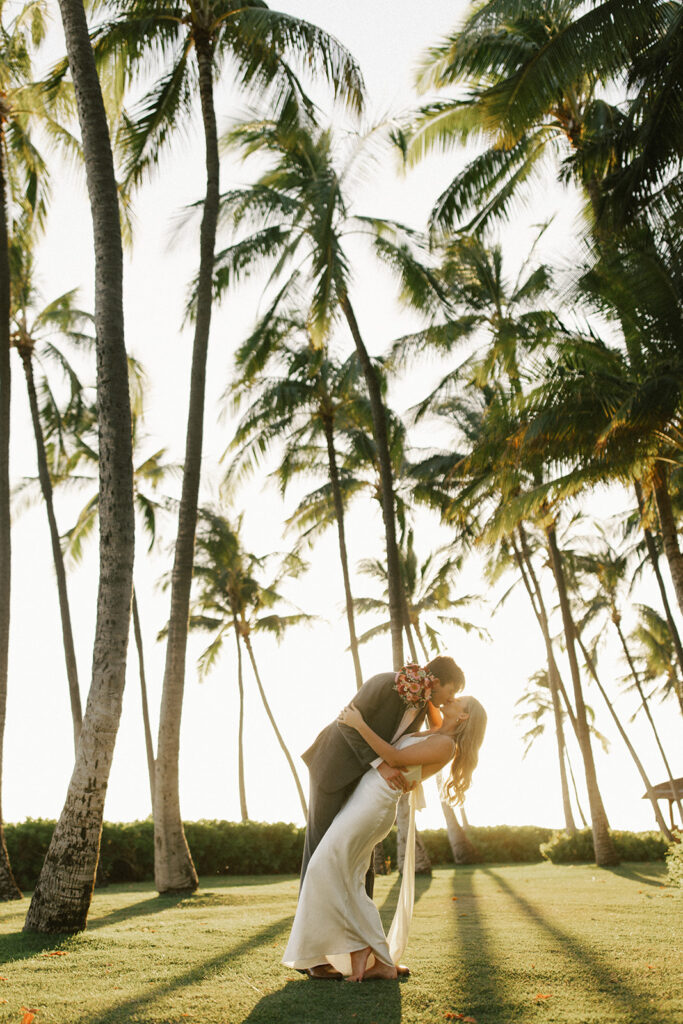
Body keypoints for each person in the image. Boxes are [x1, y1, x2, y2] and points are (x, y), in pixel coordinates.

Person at [282, 693, 487, 982]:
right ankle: (374, 956)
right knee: (349, 881)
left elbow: (396, 758)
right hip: (365, 800)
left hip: (374, 806)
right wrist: (424, 684)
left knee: (321, 868)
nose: (450, 699)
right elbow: (432, 699)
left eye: (457, 700)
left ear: (463, 716)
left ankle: (366, 951)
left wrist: (359, 724)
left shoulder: (445, 745)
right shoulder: (438, 730)